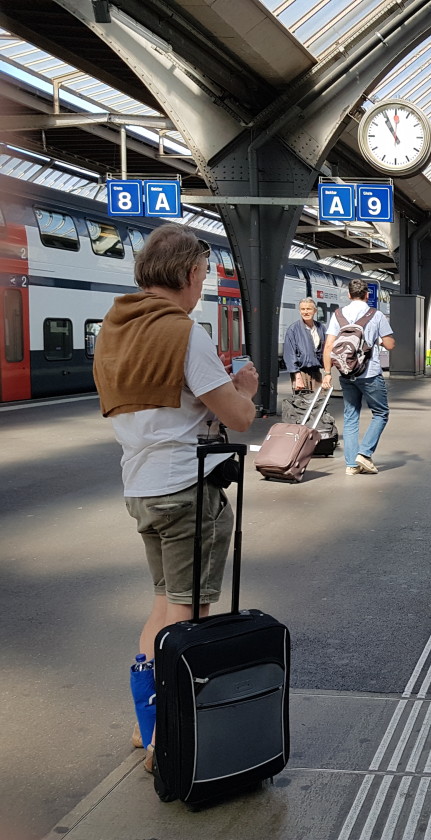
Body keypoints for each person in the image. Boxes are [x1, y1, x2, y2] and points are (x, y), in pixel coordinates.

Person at [92, 223, 259, 770]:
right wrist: (245, 390)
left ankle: (147, 726)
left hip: (140, 489)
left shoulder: (113, 331)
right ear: (189, 274)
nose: (202, 288)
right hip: (186, 491)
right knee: (189, 618)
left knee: (163, 605)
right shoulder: (185, 333)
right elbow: (237, 417)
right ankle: (170, 738)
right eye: (203, 277)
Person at [322, 279, 395, 476]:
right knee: (381, 413)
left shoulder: (338, 314)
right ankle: (364, 453)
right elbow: (389, 345)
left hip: (347, 372)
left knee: (351, 416)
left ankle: (351, 465)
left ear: (348, 295)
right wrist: (377, 338)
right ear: (367, 295)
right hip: (369, 373)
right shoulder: (376, 315)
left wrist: (327, 373)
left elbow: (329, 346)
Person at [282, 297, 326, 393]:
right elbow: (290, 355)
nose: (305, 312)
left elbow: (326, 349)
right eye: (303, 309)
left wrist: (327, 372)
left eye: (309, 309)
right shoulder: (293, 329)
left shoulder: (321, 328)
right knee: (302, 404)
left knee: (319, 402)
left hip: (316, 372)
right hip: (301, 373)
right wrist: (297, 377)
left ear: (315, 311)